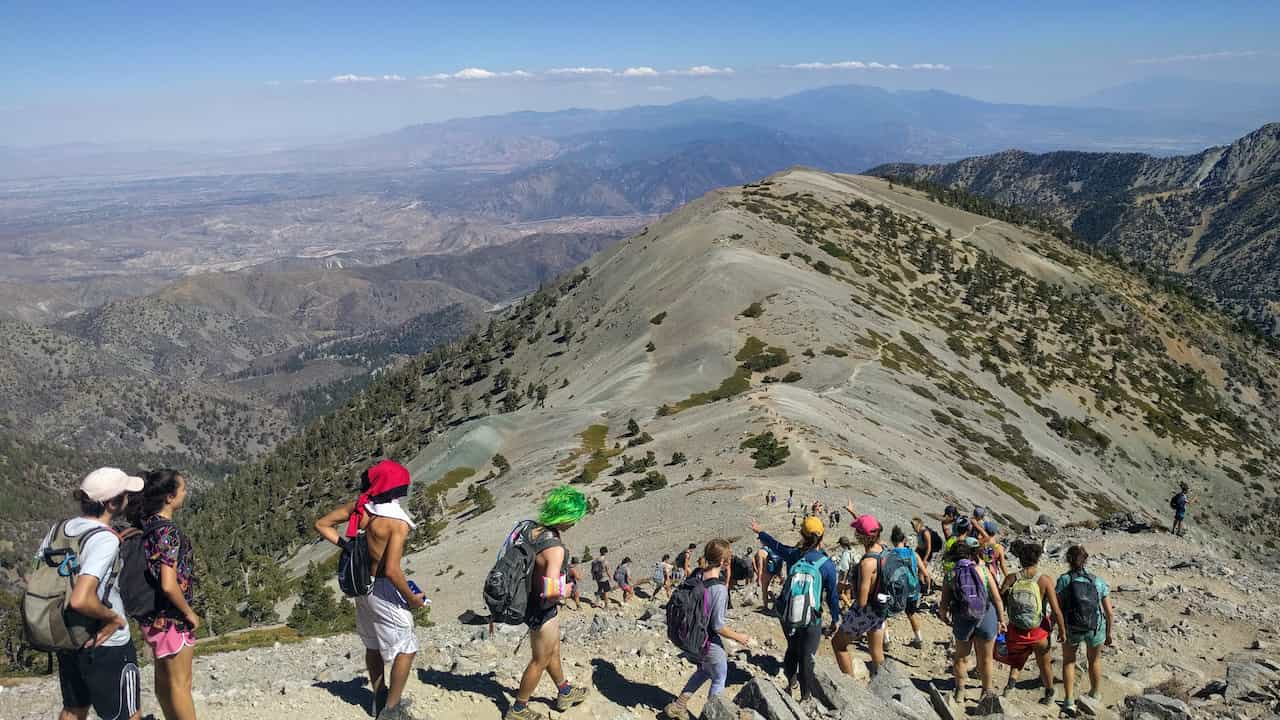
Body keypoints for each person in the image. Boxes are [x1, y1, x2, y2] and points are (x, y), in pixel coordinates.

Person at [315, 460, 425, 719]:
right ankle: (391, 709)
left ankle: (379, 696)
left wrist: (348, 546)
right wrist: (413, 599)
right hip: (384, 588)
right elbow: (393, 571)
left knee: (373, 644)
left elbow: (321, 524)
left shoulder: (361, 508)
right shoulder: (397, 523)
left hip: (362, 585)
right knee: (407, 647)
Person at [42, 467, 145, 720]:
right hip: (107, 644)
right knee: (127, 713)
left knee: (74, 709)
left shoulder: (59, 530)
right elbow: (80, 597)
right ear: (112, 503)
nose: (128, 499)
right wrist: (113, 619)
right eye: (124, 495)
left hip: (69, 635)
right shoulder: (104, 539)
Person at [502, 486, 591, 720]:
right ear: (565, 516)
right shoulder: (555, 548)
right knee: (540, 659)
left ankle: (565, 691)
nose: (575, 523)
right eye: (574, 518)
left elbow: (536, 561)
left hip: (528, 601)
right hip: (542, 609)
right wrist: (568, 589)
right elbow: (551, 591)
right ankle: (518, 709)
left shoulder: (531, 528)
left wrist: (565, 568)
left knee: (553, 650)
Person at [128, 469, 200, 720]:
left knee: (164, 681)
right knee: (181, 685)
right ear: (169, 497)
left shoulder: (147, 525)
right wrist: (188, 612)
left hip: (152, 617)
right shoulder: (167, 531)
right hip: (172, 618)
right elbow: (169, 584)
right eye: (182, 489)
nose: (185, 493)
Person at [662, 540, 754, 720]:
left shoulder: (696, 574)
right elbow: (717, 625)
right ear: (724, 562)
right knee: (719, 677)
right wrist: (740, 637)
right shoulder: (719, 589)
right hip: (707, 641)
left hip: (688, 637)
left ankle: (679, 706)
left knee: (704, 670)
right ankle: (713, 715)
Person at [751, 516, 840, 701]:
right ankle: (806, 696)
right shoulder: (827, 564)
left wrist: (760, 532)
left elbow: (775, 545)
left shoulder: (794, 554)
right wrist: (835, 618)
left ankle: (791, 683)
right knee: (807, 656)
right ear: (822, 536)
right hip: (811, 616)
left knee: (792, 648)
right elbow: (832, 596)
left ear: (802, 534)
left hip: (787, 611)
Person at [939, 537, 1007, 710]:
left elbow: (944, 604)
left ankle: (960, 691)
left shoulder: (951, 574)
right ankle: (986, 691)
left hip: (962, 618)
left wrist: (945, 617)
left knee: (961, 657)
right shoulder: (983, 571)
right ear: (973, 553)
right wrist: (1001, 619)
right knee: (986, 659)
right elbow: (997, 598)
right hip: (986, 616)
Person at [997, 540, 1064, 706]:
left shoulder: (1011, 578)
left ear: (1020, 559)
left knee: (1018, 659)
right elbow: (1056, 610)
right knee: (1044, 663)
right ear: (1037, 559)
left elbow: (1000, 601)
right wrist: (1062, 630)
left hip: (1016, 629)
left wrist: (1000, 621)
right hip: (1038, 631)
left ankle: (1009, 688)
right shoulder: (1045, 580)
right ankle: (1049, 694)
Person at [1057, 545, 1114, 718]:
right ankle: (1095, 694)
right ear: (1086, 560)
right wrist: (1109, 633)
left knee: (1068, 661)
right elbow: (1109, 613)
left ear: (1068, 560)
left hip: (1071, 627)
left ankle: (1068, 701)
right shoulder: (1097, 581)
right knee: (1094, 660)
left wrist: (1058, 627)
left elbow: (1058, 608)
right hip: (1095, 627)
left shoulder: (1064, 580)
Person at [831, 511, 889, 677]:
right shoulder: (885, 550)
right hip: (881, 608)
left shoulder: (867, 563)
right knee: (876, 650)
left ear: (862, 536)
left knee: (838, 644)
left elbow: (862, 601)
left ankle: (850, 688)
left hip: (867, 610)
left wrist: (847, 587)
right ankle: (884, 682)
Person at [890, 525, 932, 649]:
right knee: (911, 613)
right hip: (913, 589)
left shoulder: (890, 554)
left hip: (897, 590)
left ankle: (886, 640)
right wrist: (927, 588)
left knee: (884, 612)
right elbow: (925, 574)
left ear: (893, 541)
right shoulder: (913, 554)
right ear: (904, 540)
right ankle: (919, 639)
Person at [980, 521, 1009, 588]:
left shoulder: (981, 543)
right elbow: (1002, 565)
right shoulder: (999, 547)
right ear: (995, 533)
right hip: (993, 573)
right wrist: (1008, 577)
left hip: (981, 571)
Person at [833, 536, 857, 608]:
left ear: (842, 544)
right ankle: (845, 607)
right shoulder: (853, 550)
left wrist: (842, 580)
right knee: (848, 592)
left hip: (845, 577)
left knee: (839, 592)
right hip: (851, 576)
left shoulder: (845, 554)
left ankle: (849, 606)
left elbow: (845, 568)